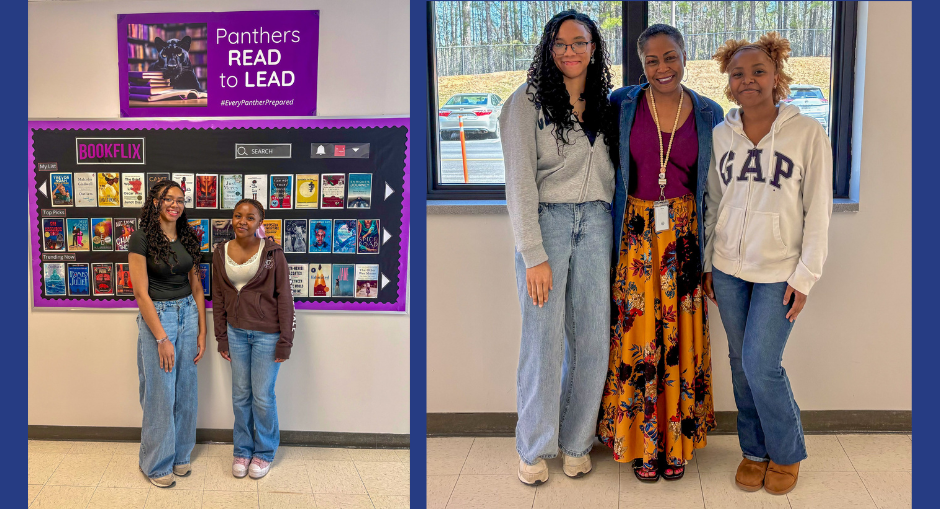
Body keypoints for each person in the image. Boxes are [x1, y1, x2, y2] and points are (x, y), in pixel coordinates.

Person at [703, 32, 831, 496]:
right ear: (728, 82)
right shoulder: (722, 133)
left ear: (777, 76)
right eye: (738, 73)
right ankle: (753, 451)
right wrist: (706, 263)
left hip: (780, 271)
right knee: (741, 363)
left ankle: (786, 451)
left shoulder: (807, 133)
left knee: (762, 363)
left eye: (758, 71)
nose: (748, 80)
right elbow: (714, 202)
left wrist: (806, 277)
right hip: (728, 269)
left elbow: (818, 211)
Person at [596, 23, 722, 482]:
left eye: (670, 57)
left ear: (686, 57)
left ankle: (677, 442)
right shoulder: (621, 105)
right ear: (641, 63)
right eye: (652, 60)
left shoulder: (709, 112)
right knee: (638, 334)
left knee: (681, 337)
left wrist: (708, 260)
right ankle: (641, 441)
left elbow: (713, 191)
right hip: (635, 235)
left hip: (685, 236)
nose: (662, 67)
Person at [499, 9, 618, 486]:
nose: (570, 51)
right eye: (561, 43)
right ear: (549, 48)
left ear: (594, 48)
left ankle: (575, 441)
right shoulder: (526, 102)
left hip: (596, 223)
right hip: (546, 224)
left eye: (580, 42)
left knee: (592, 338)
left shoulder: (607, 101)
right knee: (542, 341)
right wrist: (534, 254)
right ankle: (533, 444)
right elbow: (519, 184)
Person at [128, 180, 207, 488]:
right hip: (158, 317)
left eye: (180, 199)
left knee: (186, 388)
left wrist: (201, 329)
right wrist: (161, 337)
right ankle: (155, 462)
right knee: (160, 391)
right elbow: (140, 293)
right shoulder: (141, 238)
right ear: (155, 203)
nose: (175, 204)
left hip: (188, 312)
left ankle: (180, 455)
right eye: (168, 199)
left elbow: (197, 287)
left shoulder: (188, 237)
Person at [212, 198, 295, 479]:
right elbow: (220, 297)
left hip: (267, 335)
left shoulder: (273, 253)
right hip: (235, 333)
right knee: (240, 396)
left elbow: (285, 298)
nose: (242, 221)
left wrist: (286, 340)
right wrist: (221, 337)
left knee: (262, 396)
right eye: (237, 216)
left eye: (250, 217)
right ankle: (243, 449)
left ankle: (265, 452)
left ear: (260, 222)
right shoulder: (220, 251)